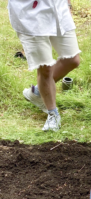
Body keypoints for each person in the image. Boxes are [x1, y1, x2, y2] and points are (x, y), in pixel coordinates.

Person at [7, 0, 81, 131]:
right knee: (45, 67)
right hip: (30, 15)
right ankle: (53, 113)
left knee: (72, 59)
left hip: (58, 9)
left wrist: (68, 4)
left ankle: (37, 92)